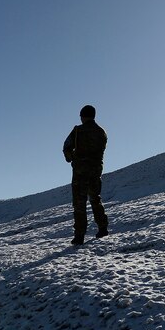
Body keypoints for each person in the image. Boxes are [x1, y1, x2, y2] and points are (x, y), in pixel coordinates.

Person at [62, 105, 109, 245]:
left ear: (83, 116)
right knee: (95, 199)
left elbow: (66, 147)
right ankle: (102, 228)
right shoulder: (101, 132)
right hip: (95, 171)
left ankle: (79, 235)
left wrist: (72, 158)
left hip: (80, 172)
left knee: (79, 204)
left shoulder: (77, 131)